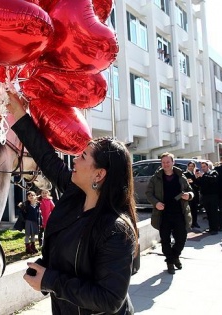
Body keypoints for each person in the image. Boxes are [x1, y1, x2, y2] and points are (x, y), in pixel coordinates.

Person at [7, 92, 138, 314]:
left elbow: (110, 299)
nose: (75, 159)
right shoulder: (74, 194)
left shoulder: (116, 230)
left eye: (84, 156)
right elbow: (46, 157)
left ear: (99, 175)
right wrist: (19, 113)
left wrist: (50, 280)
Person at [146, 152, 193, 274]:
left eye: (168, 162)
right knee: (165, 239)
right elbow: (148, 193)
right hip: (163, 213)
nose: (165, 164)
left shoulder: (180, 177)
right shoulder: (155, 178)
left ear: (173, 162)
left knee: (181, 238)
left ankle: (175, 255)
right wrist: (156, 203)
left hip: (179, 212)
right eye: (163, 162)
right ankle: (170, 262)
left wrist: (189, 195)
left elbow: (190, 191)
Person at [195, 161, 220, 235]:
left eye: (204, 167)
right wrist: (197, 178)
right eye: (202, 167)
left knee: (213, 212)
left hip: (213, 196)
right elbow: (199, 185)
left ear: (208, 166)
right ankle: (211, 227)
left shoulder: (213, 172)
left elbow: (213, 180)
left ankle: (215, 228)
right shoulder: (203, 175)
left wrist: (203, 176)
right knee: (208, 213)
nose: (203, 168)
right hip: (205, 196)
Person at [183, 161, 201, 229]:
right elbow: (185, 184)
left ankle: (195, 222)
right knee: (188, 209)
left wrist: (196, 178)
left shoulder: (196, 174)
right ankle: (189, 223)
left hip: (195, 193)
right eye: (189, 166)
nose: (191, 167)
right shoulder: (185, 174)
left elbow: (199, 184)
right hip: (188, 194)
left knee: (195, 209)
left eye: (192, 166)